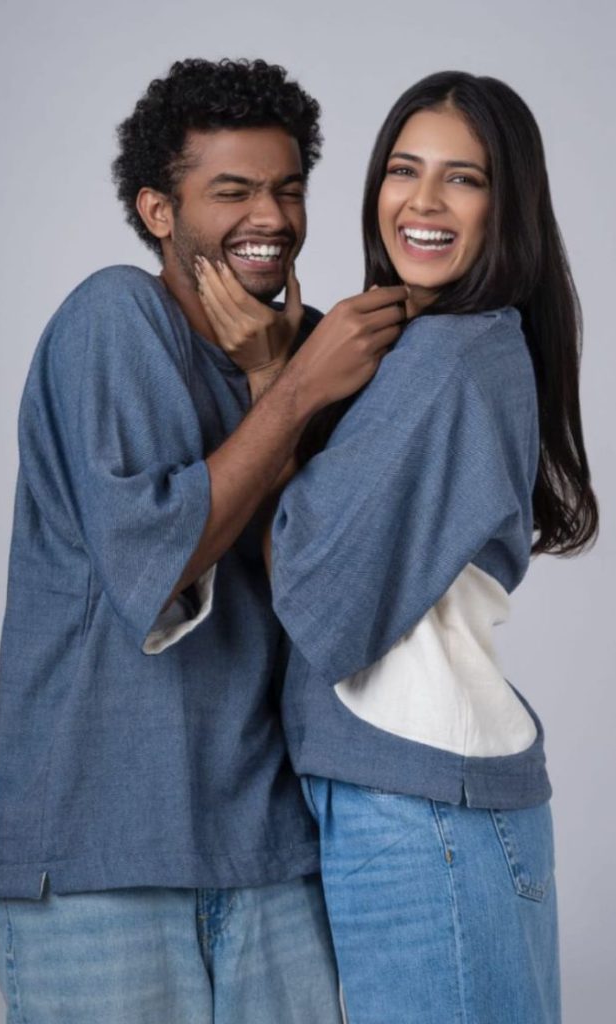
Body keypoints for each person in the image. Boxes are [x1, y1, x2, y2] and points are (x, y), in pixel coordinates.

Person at [0, 57, 408, 1024]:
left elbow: (334, 590)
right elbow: (160, 557)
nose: (270, 216)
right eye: (232, 190)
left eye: (287, 188)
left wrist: (277, 375)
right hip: (104, 864)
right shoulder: (115, 316)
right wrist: (295, 392)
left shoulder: (304, 351)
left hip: (274, 854)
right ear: (158, 209)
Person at [201, 71, 599, 1023]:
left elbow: (313, 590)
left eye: (462, 179)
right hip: (424, 792)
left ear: (507, 206)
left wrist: (273, 380)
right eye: (402, 170)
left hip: (420, 803)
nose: (421, 202)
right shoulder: (438, 345)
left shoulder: (449, 356)